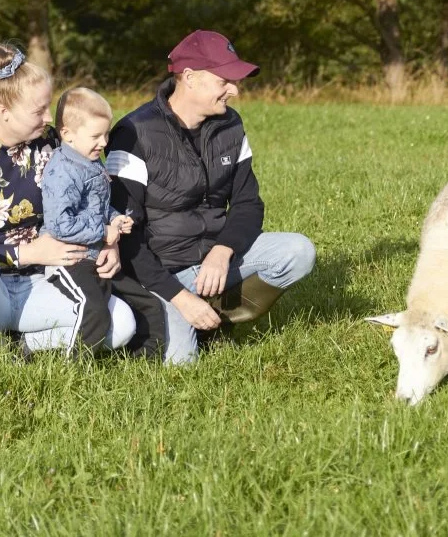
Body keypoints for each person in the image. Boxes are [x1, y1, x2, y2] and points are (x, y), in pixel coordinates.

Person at [106, 30, 316, 364]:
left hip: (211, 261)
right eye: (224, 81)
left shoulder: (231, 124)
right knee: (181, 362)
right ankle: (178, 317)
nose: (234, 90)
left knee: (298, 251)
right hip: (159, 273)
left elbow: (248, 202)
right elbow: (125, 239)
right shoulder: (134, 133)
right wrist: (180, 297)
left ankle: (216, 318)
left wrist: (223, 250)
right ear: (189, 78)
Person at [0, 43, 135, 369]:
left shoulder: (55, 142)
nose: (47, 118)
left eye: (48, 107)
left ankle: (24, 347)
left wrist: (108, 241)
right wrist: (26, 253)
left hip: (43, 284)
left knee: (122, 323)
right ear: (4, 111)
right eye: (38, 111)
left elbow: (90, 198)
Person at [40, 87, 169, 359]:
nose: (103, 142)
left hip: (97, 256)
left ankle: (146, 364)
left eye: (106, 134)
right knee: (94, 308)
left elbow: (97, 205)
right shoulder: (62, 170)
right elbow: (59, 225)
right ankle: (75, 367)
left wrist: (114, 217)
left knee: (149, 305)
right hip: (70, 260)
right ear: (68, 135)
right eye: (96, 136)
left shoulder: (90, 160)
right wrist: (104, 231)